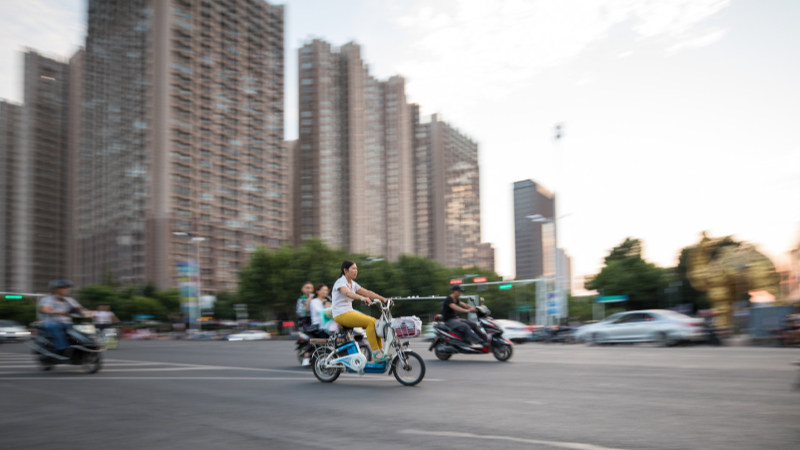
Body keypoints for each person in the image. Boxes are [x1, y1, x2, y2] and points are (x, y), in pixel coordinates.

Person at [332, 260, 390, 363]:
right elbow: (347, 293)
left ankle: (381, 351)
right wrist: (362, 298)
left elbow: (367, 292)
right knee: (370, 322)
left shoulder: (352, 283)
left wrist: (384, 299)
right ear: (345, 270)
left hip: (349, 312)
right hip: (341, 314)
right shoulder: (340, 282)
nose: (356, 271)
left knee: (375, 322)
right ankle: (376, 353)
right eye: (353, 268)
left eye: (356, 269)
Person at [37, 280, 86, 357]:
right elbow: (44, 310)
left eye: (67, 288)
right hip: (50, 323)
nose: (66, 289)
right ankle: (62, 349)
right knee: (56, 326)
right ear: (55, 289)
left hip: (66, 323)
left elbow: (79, 308)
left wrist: (89, 312)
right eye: (62, 288)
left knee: (80, 327)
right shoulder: (47, 299)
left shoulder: (70, 300)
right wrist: (57, 312)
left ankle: (82, 346)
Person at [301, 284, 331, 367]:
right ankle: (307, 357)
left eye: (326, 290)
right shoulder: (314, 301)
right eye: (323, 290)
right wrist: (327, 307)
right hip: (317, 326)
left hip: (327, 326)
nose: (325, 292)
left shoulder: (328, 300)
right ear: (317, 291)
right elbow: (321, 311)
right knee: (325, 342)